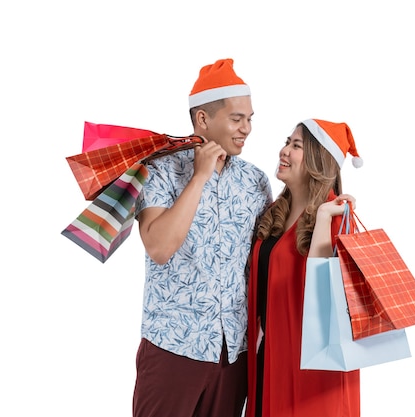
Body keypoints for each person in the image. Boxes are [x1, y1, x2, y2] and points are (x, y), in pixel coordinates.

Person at [132, 58, 273, 417]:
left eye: (250, 119)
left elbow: (267, 257)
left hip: (234, 352)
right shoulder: (160, 170)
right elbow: (159, 247)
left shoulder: (255, 182)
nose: (247, 129)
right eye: (237, 118)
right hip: (173, 349)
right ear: (203, 120)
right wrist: (199, 177)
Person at [245, 119, 363, 417]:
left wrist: (323, 219)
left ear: (317, 161)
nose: (284, 151)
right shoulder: (274, 213)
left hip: (314, 371)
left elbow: (322, 295)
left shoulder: (336, 214)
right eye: (287, 142)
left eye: (296, 146)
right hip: (271, 358)